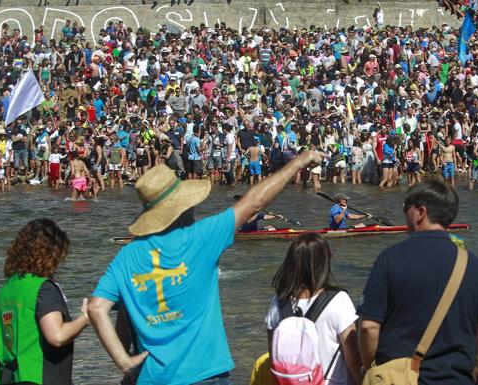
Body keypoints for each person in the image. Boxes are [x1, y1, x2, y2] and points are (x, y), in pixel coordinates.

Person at [88, 150, 324, 385]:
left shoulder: (126, 256)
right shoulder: (202, 237)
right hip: (205, 374)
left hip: (152, 378)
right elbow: (255, 202)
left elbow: (97, 308)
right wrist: (298, 162)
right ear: (182, 207)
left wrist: (123, 361)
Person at [358, 179, 478, 384]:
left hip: (398, 378)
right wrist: (474, 371)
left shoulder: (389, 259)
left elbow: (368, 327)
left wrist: (372, 367)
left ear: (420, 212)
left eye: (406, 208)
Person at [0, 219, 90, 384]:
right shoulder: (43, 288)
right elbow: (57, 336)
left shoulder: (6, 289)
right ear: (50, 254)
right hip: (39, 377)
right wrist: (85, 318)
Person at [265, 233, 362, 385]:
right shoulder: (339, 300)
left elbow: (274, 357)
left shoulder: (278, 302)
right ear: (323, 262)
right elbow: (353, 360)